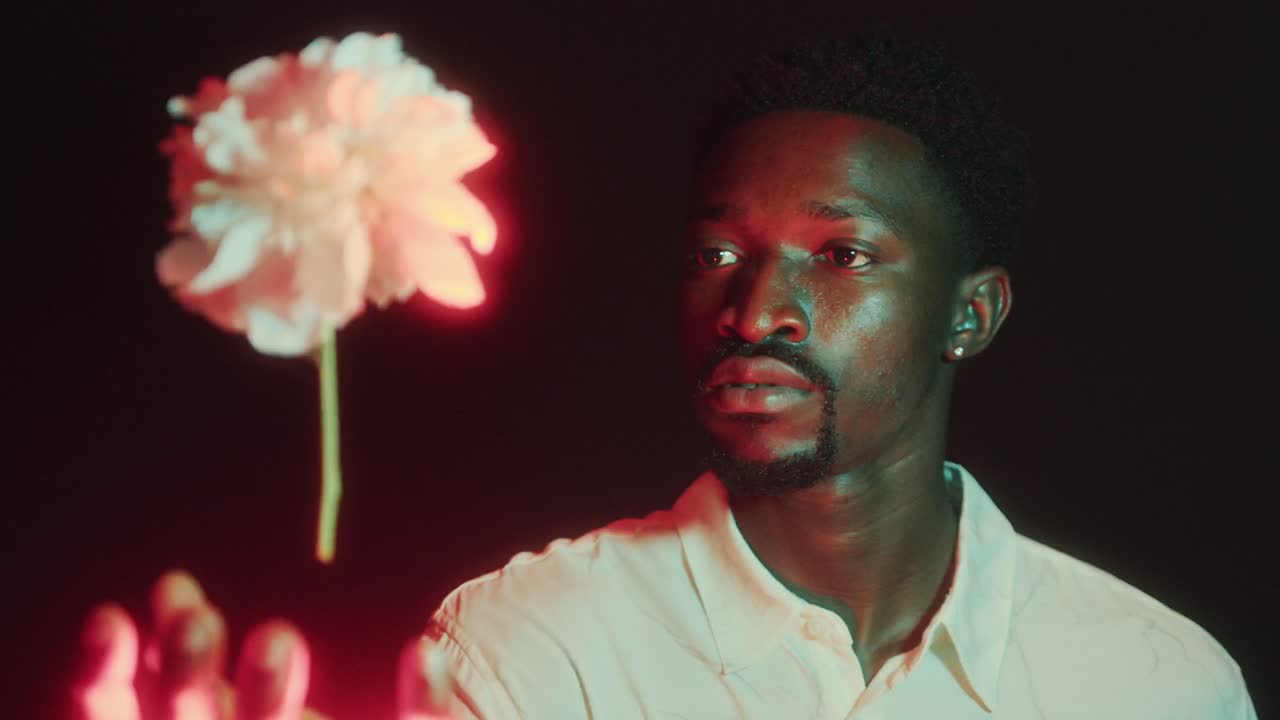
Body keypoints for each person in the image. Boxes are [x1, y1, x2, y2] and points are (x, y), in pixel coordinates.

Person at [73, 33, 1256, 719]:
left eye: (838, 255)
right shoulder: (531, 648)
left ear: (969, 313)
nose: (753, 311)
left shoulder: (1156, 682)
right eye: (716, 255)